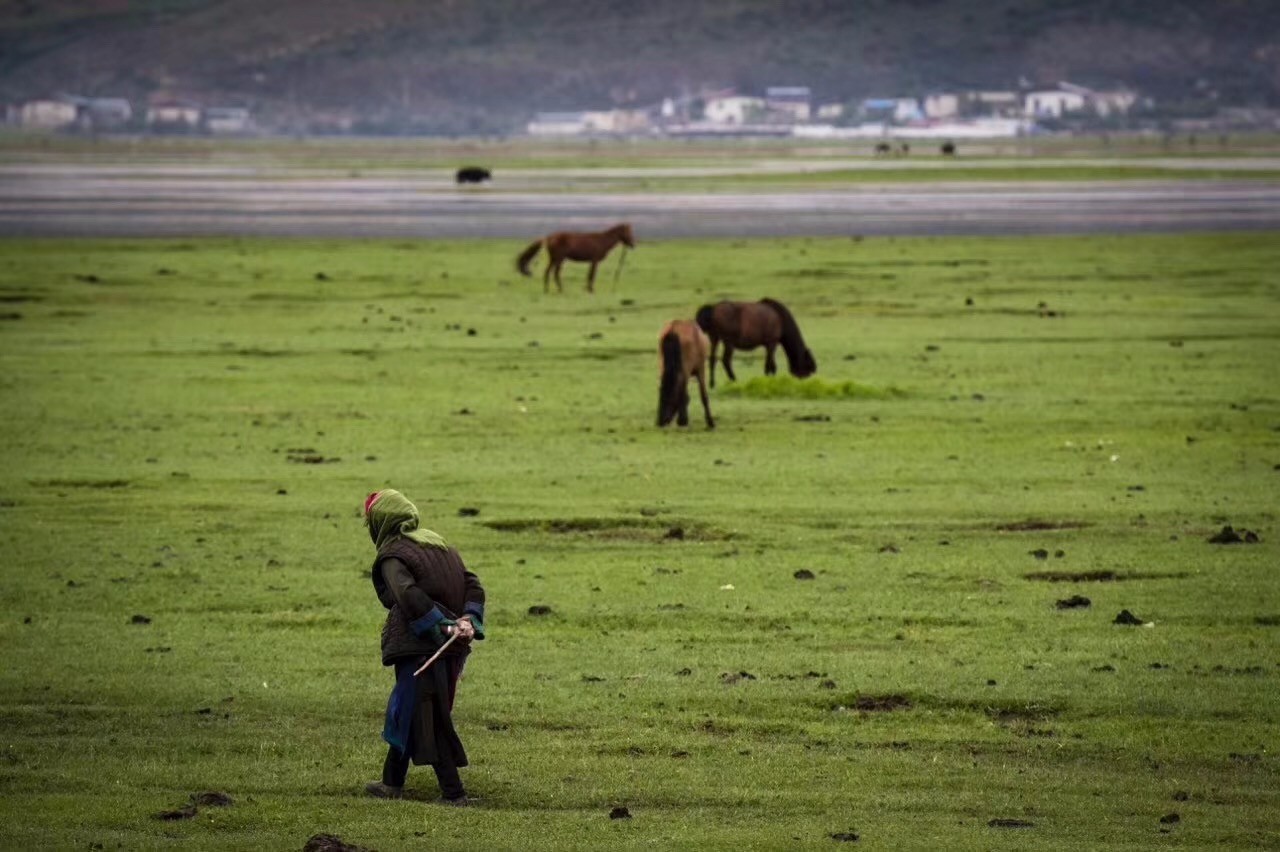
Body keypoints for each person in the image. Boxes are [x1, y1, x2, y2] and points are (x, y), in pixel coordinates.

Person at [361, 489, 486, 805]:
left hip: (420, 646)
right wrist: (468, 619)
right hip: (452, 643)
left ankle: (454, 794)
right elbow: (473, 583)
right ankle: (391, 783)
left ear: (381, 522)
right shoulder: (440, 544)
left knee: (427, 714)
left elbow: (406, 594)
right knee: (410, 710)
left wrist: (438, 625)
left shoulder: (393, 555)